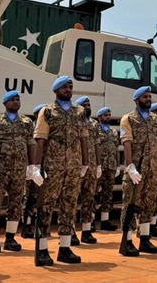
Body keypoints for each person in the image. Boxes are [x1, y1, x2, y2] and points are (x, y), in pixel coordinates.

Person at [29, 75, 90, 266]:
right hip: (52, 167)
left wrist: (85, 163)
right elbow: (40, 139)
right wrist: (36, 166)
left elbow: (83, 138)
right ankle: (43, 248)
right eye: (65, 87)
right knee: (46, 206)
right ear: (56, 90)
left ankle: (65, 248)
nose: (68, 90)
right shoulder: (47, 111)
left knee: (69, 205)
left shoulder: (79, 111)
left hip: (73, 166)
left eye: (70, 87)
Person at [0, 90, 35, 253]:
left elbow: (31, 144)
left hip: (19, 170)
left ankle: (10, 238)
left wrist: (32, 166)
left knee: (16, 204)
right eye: (12, 100)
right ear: (5, 103)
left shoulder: (26, 122)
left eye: (18, 99)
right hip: (0, 170)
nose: (16, 102)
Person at [118, 86, 157, 256]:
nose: (148, 99)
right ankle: (128, 240)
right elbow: (127, 143)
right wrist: (129, 166)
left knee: (148, 203)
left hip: (152, 169)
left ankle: (144, 239)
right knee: (130, 204)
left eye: (149, 96)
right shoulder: (128, 119)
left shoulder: (154, 119)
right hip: (136, 170)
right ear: (137, 100)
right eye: (145, 97)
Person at [73, 96, 101, 245]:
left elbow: (97, 145)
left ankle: (86, 231)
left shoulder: (94, 124)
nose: (88, 107)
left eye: (89, 104)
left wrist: (98, 165)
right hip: (76, 165)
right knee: (71, 199)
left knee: (89, 199)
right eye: (84, 105)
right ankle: (70, 231)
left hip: (91, 166)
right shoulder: (74, 122)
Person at [21, 104, 46, 239]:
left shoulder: (45, 129)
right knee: (29, 197)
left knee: (38, 198)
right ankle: (27, 225)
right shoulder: (32, 128)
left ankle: (36, 225)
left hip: (42, 168)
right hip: (30, 167)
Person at [96, 106, 121, 231]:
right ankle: (89, 221)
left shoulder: (113, 132)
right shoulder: (96, 130)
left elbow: (116, 149)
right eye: (106, 115)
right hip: (99, 167)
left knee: (107, 194)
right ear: (100, 117)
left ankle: (105, 221)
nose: (108, 117)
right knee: (93, 193)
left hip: (110, 166)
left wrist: (117, 165)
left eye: (109, 115)